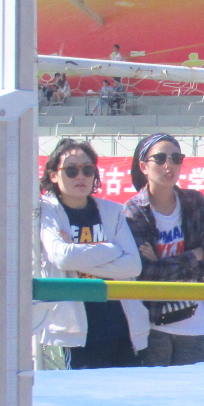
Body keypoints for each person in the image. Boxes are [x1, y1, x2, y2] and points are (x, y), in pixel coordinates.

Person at [34, 139, 148, 368]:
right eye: (71, 170)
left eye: (87, 170)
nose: (81, 177)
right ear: (54, 175)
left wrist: (77, 257)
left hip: (123, 325)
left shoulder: (112, 211)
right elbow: (62, 257)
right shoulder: (47, 210)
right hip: (78, 331)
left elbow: (133, 266)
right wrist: (112, 249)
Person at [122, 133, 204, 365]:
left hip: (193, 322)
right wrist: (192, 256)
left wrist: (161, 263)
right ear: (143, 166)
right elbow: (144, 272)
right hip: (151, 324)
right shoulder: (133, 211)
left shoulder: (195, 202)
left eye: (176, 158)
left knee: (193, 386)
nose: (169, 165)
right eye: (160, 159)